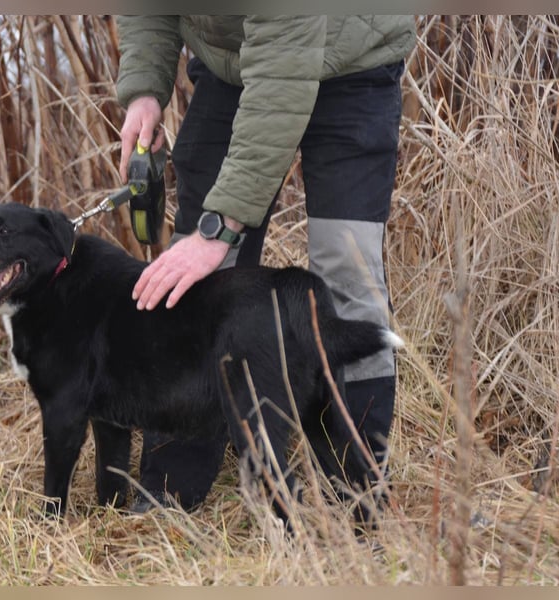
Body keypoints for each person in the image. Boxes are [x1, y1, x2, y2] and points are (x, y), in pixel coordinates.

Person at [114, 16, 416, 513]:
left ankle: (356, 497)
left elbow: (282, 76)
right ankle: (168, 496)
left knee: (347, 271)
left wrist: (218, 229)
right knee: (193, 287)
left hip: (352, 58)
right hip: (234, 68)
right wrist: (145, 89)